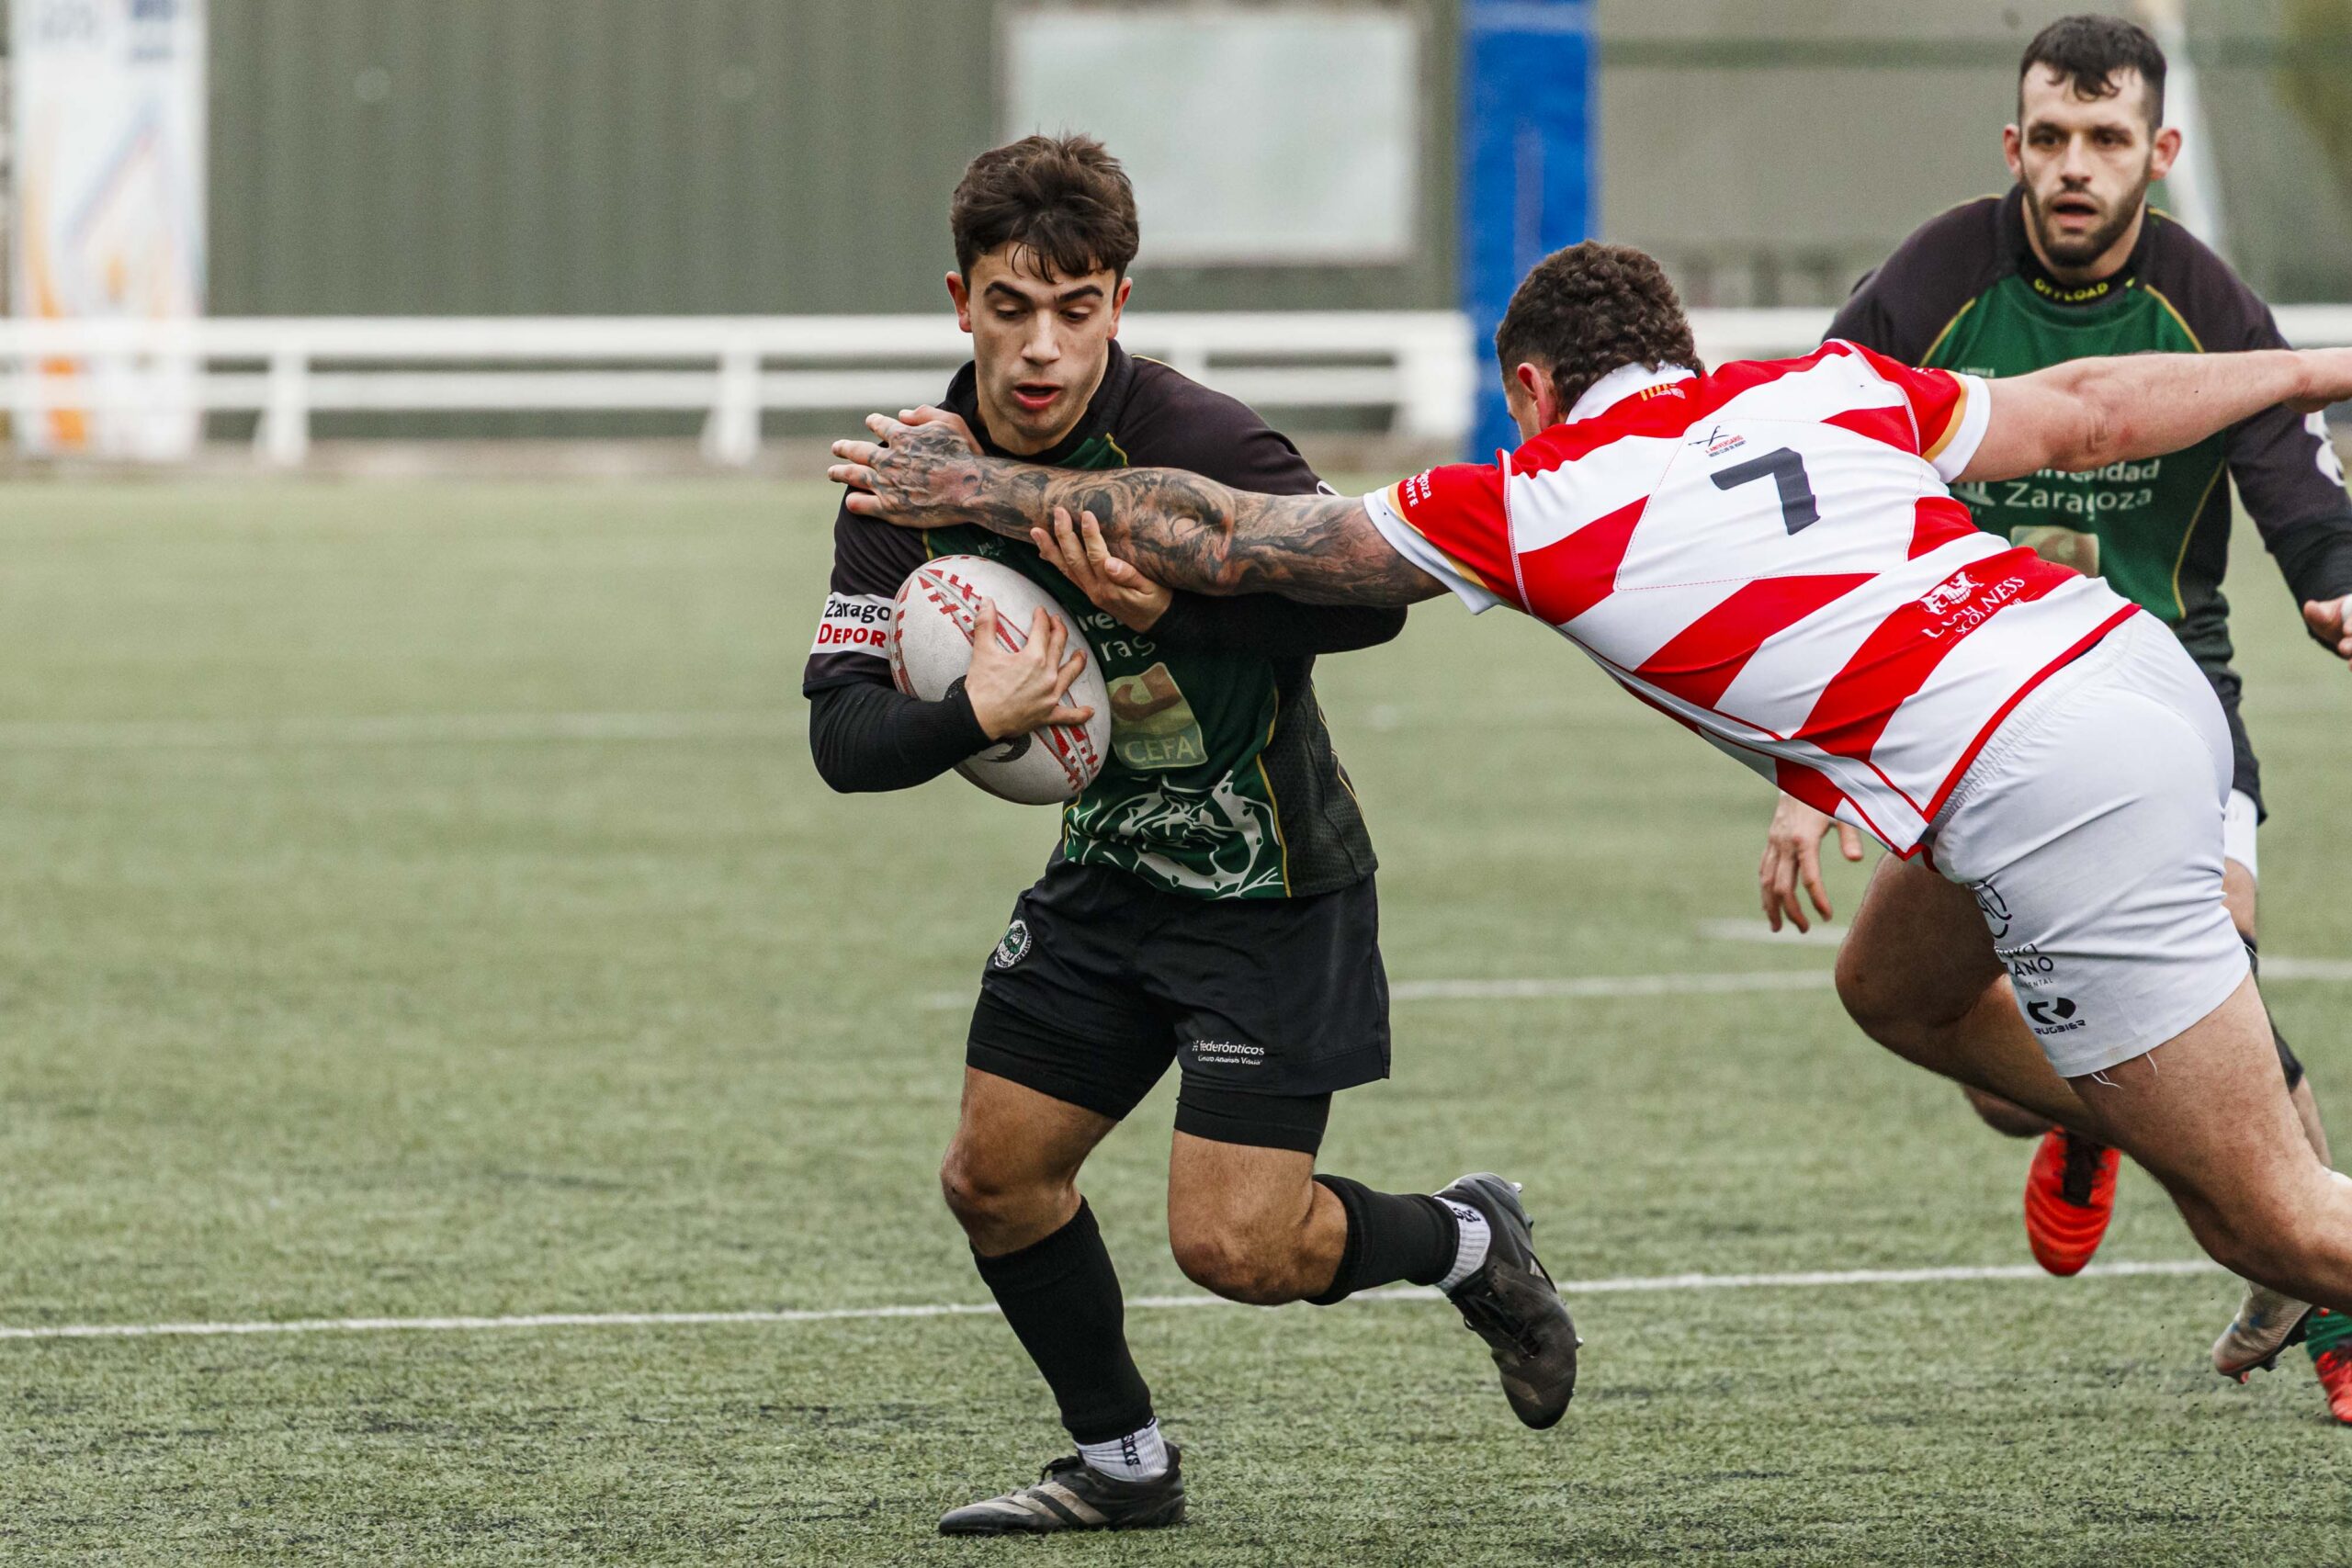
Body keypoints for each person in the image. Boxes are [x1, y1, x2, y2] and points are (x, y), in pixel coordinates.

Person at [831, 241, 2352, 1346]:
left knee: (2273, 1220)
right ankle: (2174, 1116)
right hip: (2114, 666)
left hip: (2042, 774)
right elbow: (2088, 407)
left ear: (1529, 388)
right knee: (1898, 986)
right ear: (1682, 351)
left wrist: (989, 491)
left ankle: (2228, 1151)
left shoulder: (1532, 498)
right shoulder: (1826, 386)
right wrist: (2319, 364)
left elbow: (1238, 539)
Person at [802, 134, 1577, 1538]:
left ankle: (1467, 1236)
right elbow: (842, 740)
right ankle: (1125, 1462)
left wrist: (1186, 606)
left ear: (1120, 300)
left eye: (1079, 306)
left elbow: (1369, 601)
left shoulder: (1200, 442)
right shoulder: (909, 481)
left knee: (1235, 1246)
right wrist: (973, 711)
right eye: (1011, 307)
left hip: (1273, 883)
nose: (1044, 348)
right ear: (958, 300)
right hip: (1110, 871)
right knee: (996, 1176)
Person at [1749, 14, 2352, 1415]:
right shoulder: (1933, 283)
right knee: (1975, 1054)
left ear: (2161, 151)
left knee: (2219, 987)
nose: (2078, 169)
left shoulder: (2206, 306)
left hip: (2165, 706)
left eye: (2109, 141)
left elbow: (2295, 473)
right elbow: (1809, 488)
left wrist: (2335, 581)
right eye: (2055, 140)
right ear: (2015, 144)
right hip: (1970, 722)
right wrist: (1804, 767)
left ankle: (2322, 1293)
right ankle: (2112, 1132)